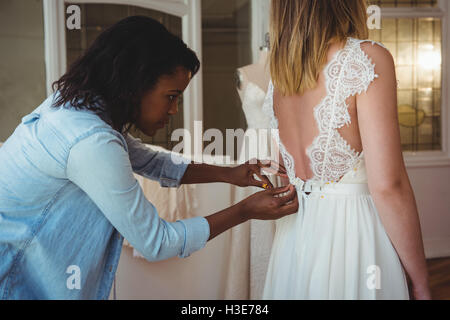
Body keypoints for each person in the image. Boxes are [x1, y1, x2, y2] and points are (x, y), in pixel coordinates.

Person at [0, 15, 298, 299]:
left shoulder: (76, 108)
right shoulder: (90, 141)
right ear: (135, 84)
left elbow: (151, 161)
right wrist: (245, 211)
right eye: (171, 96)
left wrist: (230, 173)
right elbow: (156, 242)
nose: (174, 111)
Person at [261, 0, 431, 300]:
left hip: (295, 239)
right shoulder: (365, 58)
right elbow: (388, 186)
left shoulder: (279, 74)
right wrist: (420, 280)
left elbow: (284, 171)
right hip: (355, 238)